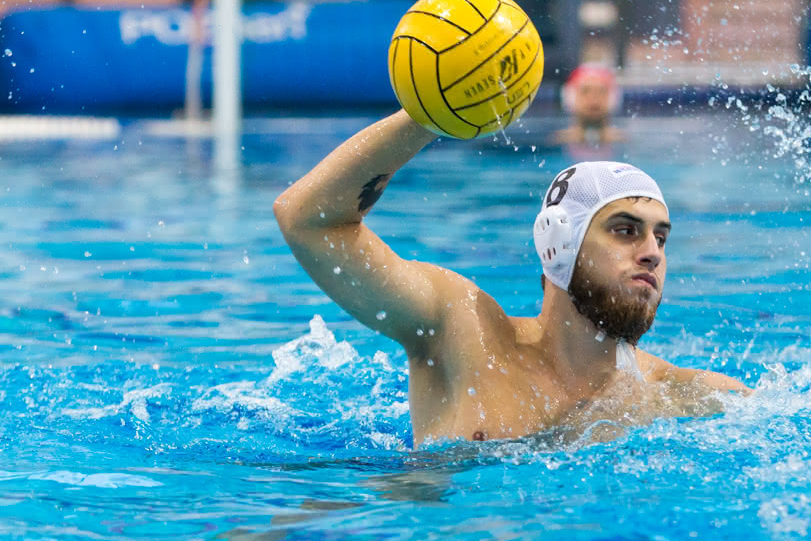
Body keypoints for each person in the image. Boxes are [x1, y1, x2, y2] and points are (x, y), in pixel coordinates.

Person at [274, 112, 746, 446]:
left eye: (661, 239)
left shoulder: (678, 395)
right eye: (625, 230)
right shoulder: (462, 330)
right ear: (559, 243)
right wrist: (424, 118)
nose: (651, 253)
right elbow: (308, 220)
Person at [548, 62, 626, 150]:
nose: (593, 98)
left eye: (601, 92)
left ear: (613, 99)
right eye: (585, 91)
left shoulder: (623, 142)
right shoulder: (557, 142)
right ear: (570, 98)